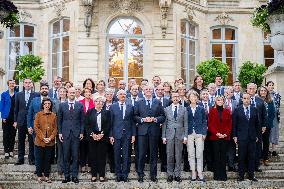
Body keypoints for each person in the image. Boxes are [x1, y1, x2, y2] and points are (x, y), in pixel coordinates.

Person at [134, 85, 166, 183]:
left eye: (150, 89)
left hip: (154, 131)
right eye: (146, 89)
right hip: (142, 132)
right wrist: (143, 119)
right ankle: (140, 174)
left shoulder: (157, 102)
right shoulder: (138, 102)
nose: (148, 91)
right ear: (143, 91)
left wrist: (155, 119)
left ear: (153, 91)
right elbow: (135, 116)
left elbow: (163, 116)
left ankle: (153, 175)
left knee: (153, 154)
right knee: (141, 154)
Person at [58, 87, 84, 183]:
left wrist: (81, 132)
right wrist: (60, 132)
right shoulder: (62, 105)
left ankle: (74, 176)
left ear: (76, 93)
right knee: (66, 156)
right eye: (70, 92)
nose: (72, 94)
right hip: (65, 134)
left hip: (76, 134)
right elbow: (59, 120)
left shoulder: (80, 105)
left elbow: (82, 121)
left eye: (74, 92)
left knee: (75, 156)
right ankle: (66, 176)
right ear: (67, 94)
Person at [109, 90, 136, 182]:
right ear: (117, 96)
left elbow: (132, 122)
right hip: (116, 134)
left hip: (127, 134)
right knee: (116, 155)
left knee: (126, 155)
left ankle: (125, 175)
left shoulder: (130, 107)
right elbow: (111, 122)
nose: (122, 95)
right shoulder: (113, 107)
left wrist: (133, 134)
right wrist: (111, 135)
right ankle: (118, 174)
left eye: (124, 94)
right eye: (120, 94)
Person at [233, 93, 260, 182]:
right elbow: (234, 124)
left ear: (250, 99)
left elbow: (257, 124)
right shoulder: (237, 110)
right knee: (241, 157)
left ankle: (251, 175)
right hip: (241, 137)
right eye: (244, 98)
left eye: (248, 98)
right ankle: (241, 176)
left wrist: (257, 135)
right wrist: (235, 136)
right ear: (242, 99)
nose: (246, 100)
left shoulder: (254, 110)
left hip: (252, 137)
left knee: (251, 157)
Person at [162, 92, 188, 182]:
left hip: (180, 135)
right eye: (174, 96)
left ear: (179, 98)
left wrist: (185, 137)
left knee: (178, 155)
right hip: (169, 135)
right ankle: (170, 174)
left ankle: (177, 174)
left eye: (177, 96)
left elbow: (185, 124)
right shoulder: (166, 109)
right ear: (171, 98)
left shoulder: (184, 109)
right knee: (169, 155)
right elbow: (165, 124)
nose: (176, 98)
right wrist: (163, 136)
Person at [85, 96, 110, 182]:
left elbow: (108, 125)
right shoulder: (89, 111)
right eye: (97, 101)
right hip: (92, 136)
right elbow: (87, 125)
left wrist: (102, 134)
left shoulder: (107, 112)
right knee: (93, 156)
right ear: (94, 102)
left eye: (101, 102)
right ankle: (94, 175)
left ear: (103, 104)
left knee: (102, 156)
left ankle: (102, 175)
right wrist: (92, 134)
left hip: (103, 136)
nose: (99, 103)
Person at [14, 78, 38, 165]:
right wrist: (15, 121)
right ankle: (20, 159)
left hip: (31, 122)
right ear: (23, 84)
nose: (27, 84)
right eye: (26, 83)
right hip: (21, 121)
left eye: (29, 83)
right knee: (21, 140)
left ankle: (31, 159)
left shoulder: (36, 95)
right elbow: (16, 109)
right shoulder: (19, 95)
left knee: (32, 141)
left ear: (32, 84)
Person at [208, 96, 232, 181]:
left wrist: (225, 134)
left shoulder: (227, 111)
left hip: (225, 137)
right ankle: (217, 175)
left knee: (223, 156)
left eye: (221, 100)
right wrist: (217, 133)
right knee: (216, 156)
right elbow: (210, 125)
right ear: (215, 101)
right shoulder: (212, 111)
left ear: (223, 101)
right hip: (215, 137)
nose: (220, 101)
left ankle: (223, 175)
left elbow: (229, 124)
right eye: (218, 100)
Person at [34, 98, 57, 183]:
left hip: (50, 143)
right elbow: (36, 127)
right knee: (39, 159)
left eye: (49, 104)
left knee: (47, 160)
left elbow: (55, 129)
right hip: (39, 142)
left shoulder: (54, 115)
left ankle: (47, 176)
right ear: (43, 105)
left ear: (51, 105)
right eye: (45, 103)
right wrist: (43, 138)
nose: (47, 105)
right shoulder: (38, 114)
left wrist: (50, 138)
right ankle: (39, 176)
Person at [246, 83, 267, 172]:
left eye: (253, 89)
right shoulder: (243, 100)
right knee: (247, 147)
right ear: (247, 89)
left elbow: (264, 115)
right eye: (249, 88)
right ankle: (247, 166)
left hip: (258, 128)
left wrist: (264, 125)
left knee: (258, 147)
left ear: (256, 90)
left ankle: (256, 165)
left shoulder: (260, 101)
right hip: (246, 128)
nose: (251, 90)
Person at [187, 91, 207, 182]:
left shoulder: (201, 109)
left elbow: (204, 121)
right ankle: (193, 172)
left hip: (199, 133)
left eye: (194, 97)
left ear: (197, 98)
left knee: (199, 153)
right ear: (189, 99)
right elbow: (184, 122)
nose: (193, 98)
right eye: (191, 97)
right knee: (191, 153)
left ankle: (200, 172)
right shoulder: (186, 109)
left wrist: (204, 133)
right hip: (189, 133)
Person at [155, 84, 171, 172]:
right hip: (154, 127)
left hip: (165, 128)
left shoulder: (167, 101)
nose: (160, 91)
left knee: (164, 149)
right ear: (156, 91)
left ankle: (164, 168)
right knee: (153, 148)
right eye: (158, 90)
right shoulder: (152, 100)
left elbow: (169, 115)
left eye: (162, 90)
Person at [258, 86, 275, 166]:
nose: (263, 92)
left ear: (267, 92)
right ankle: (259, 157)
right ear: (259, 92)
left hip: (267, 125)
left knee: (266, 142)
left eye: (264, 91)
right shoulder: (256, 100)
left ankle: (265, 158)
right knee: (258, 142)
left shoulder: (270, 101)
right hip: (257, 125)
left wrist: (266, 124)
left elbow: (272, 114)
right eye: (261, 91)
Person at [79, 88, 95, 172]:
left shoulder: (94, 102)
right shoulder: (80, 103)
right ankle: (83, 164)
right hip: (82, 128)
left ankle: (90, 164)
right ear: (83, 94)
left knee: (90, 147)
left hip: (91, 128)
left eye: (89, 92)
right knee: (82, 147)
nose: (88, 93)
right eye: (86, 92)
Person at [0, 80, 17, 159]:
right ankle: (6, 151)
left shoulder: (18, 94)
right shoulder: (4, 94)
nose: (12, 85)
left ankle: (11, 150)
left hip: (14, 118)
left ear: (15, 85)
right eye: (10, 84)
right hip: (6, 117)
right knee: (6, 134)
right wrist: (3, 116)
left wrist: (16, 120)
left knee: (13, 134)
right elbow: (2, 106)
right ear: (8, 85)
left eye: (13, 84)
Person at [224, 86, 239, 171]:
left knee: (232, 147)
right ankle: (224, 162)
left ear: (232, 94)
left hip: (233, 127)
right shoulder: (221, 102)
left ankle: (231, 164)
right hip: (223, 128)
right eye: (226, 92)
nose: (228, 93)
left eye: (230, 92)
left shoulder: (236, 102)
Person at [198, 89, 213, 172]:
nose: (205, 96)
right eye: (203, 94)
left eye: (207, 94)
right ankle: (202, 166)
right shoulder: (197, 104)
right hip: (200, 131)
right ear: (200, 96)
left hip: (211, 131)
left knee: (210, 149)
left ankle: (210, 166)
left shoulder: (212, 105)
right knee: (201, 149)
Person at [53, 86, 67, 175]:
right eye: (60, 91)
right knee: (60, 150)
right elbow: (54, 117)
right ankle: (60, 168)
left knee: (68, 150)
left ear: (66, 93)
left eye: (63, 91)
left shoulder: (70, 102)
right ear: (58, 93)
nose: (62, 93)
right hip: (59, 130)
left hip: (69, 130)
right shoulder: (55, 103)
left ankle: (67, 167)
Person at [266, 81, 281, 156]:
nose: (271, 86)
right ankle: (267, 149)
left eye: (272, 85)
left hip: (274, 116)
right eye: (269, 85)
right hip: (267, 117)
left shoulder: (277, 94)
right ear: (267, 86)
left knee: (274, 132)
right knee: (268, 132)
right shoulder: (265, 94)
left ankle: (274, 149)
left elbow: (278, 106)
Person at [176, 84, 189, 171]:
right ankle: (177, 166)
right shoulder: (174, 100)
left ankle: (186, 167)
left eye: (183, 89)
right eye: (179, 89)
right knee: (177, 148)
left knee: (187, 148)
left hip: (187, 126)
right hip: (177, 127)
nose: (181, 91)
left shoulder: (188, 101)